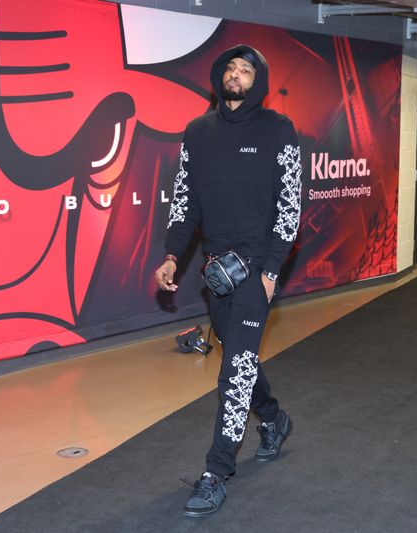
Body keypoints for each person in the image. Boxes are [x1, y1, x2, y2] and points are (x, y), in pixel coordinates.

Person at [154, 44, 302, 517]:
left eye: (245, 70)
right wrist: (173, 256)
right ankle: (275, 421)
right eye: (230, 69)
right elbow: (185, 202)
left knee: (233, 370)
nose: (236, 75)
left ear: (256, 81)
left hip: (255, 269)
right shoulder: (197, 132)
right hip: (215, 271)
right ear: (220, 77)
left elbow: (290, 206)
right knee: (240, 359)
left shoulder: (279, 130)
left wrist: (271, 271)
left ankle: (217, 472)